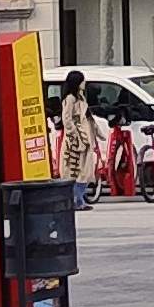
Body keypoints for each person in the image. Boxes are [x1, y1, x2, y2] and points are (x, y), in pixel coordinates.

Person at [58, 70, 98, 207]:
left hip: (83, 138)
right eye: (82, 80)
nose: (84, 83)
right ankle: (76, 200)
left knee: (85, 170)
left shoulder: (80, 98)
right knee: (74, 170)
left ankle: (78, 200)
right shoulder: (70, 99)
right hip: (75, 140)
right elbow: (66, 118)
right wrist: (75, 133)